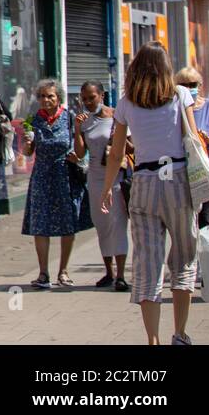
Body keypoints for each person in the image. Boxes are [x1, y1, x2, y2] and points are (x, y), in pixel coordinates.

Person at [102, 43, 206, 345]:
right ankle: (180, 333)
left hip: (144, 181)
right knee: (184, 257)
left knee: (148, 261)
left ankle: (152, 339)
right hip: (176, 179)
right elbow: (194, 138)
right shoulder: (181, 95)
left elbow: (117, 152)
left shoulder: (125, 103)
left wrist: (107, 187)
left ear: (135, 68)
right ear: (166, 68)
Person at [20, 79, 92, 288]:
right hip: (42, 174)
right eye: (42, 96)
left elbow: (81, 146)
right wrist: (27, 144)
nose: (46, 100)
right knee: (40, 224)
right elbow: (28, 152)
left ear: (58, 97)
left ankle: (64, 271)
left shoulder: (69, 118)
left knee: (67, 223)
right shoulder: (33, 120)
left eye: (50, 96)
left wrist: (77, 156)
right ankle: (43, 273)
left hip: (65, 174)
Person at [74, 80, 129, 291]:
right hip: (95, 177)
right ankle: (109, 272)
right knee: (102, 224)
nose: (88, 102)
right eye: (84, 99)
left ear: (102, 95)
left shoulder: (117, 116)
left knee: (118, 223)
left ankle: (122, 275)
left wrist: (119, 144)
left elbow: (132, 147)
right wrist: (78, 129)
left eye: (92, 97)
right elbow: (80, 153)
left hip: (115, 176)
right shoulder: (84, 121)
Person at [176, 66, 209, 229]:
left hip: (207, 170)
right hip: (182, 172)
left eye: (192, 84)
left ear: (200, 85)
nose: (188, 89)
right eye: (183, 85)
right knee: (186, 223)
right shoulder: (175, 109)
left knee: (205, 221)